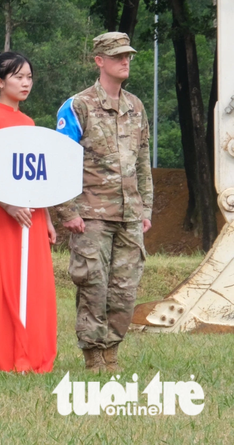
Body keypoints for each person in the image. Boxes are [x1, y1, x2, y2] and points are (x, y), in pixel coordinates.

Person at [55, 32, 153, 373]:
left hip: (128, 214)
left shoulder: (135, 106)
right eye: (117, 57)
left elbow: (142, 161)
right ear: (99, 61)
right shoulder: (78, 106)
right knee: (93, 285)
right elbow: (60, 160)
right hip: (91, 213)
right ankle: (93, 356)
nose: (125, 61)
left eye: (127, 56)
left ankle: (112, 353)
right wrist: (67, 211)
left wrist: (146, 210)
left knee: (125, 290)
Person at [0, 51, 57, 373]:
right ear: (0, 82)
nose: (26, 83)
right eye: (18, 77)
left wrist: (48, 217)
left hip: (33, 216)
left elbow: (36, 175)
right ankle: (7, 356)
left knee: (35, 286)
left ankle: (34, 353)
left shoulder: (28, 123)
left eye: (29, 77)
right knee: (7, 285)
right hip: (5, 216)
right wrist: (9, 205)